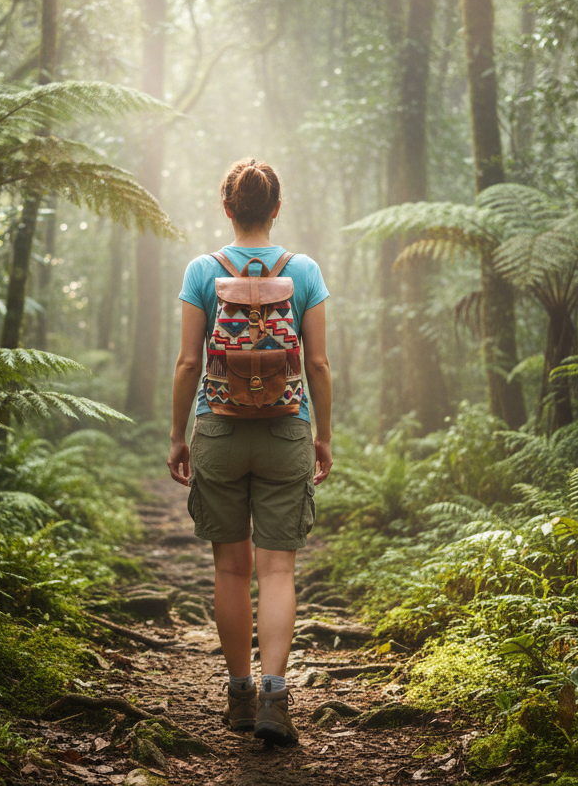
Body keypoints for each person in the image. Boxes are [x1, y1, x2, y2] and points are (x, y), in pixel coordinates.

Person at [167, 158, 333, 747]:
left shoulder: (202, 270)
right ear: (277, 208)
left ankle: (237, 693)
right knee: (278, 569)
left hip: (219, 429)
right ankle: (273, 695)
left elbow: (190, 361)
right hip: (288, 427)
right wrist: (324, 435)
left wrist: (178, 435)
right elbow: (316, 363)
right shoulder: (304, 269)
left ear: (228, 207)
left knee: (231, 568)